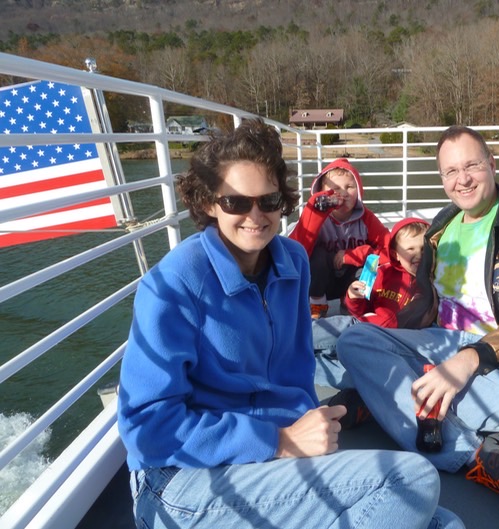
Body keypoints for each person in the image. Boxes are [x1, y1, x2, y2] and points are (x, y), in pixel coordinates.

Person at [117, 119, 465, 529]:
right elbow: (146, 429)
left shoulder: (292, 263)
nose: (255, 215)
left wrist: (307, 435)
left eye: (268, 201)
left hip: (271, 459)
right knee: (413, 480)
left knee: (442, 523)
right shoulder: (174, 283)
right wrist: (280, 441)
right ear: (210, 203)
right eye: (236, 203)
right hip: (182, 479)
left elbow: (297, 373)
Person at [336, 125, 499, 521]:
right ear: (443, 178)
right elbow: (425, 305)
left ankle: (388, 398)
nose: (462, 179)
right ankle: (478, 454)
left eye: (472, 166)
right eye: (450, 171)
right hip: (437, 343)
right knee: (354, 341)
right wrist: (385, 329)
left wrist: (466, 362)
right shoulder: (441, 227)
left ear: (492, 165)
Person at [313, 217, 429, 390]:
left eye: (423, 248)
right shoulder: (383, 272)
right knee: (325, 332)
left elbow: (413, 320)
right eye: (410, 248)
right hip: (361, 327)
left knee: (353, 370)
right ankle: (284, 345)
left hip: (387, 341)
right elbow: (359, 310)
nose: (418, 254)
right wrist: (353, 297)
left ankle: (290, 361)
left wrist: (383, 322)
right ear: (396, 253)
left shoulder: (429, 283)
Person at [289, 157, 389, 319]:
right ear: (322, 192)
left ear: (359, 190)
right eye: (335, 188)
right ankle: (318, 305)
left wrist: (355, 255)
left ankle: (351, 303)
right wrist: (313, 214)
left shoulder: (367, 218)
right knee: (317, 256)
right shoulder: (317, 217)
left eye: (349, 187)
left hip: (351, 281)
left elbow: (389, 249)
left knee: (371, 263)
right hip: (322, 282)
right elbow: (295, 253)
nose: (343, 193)